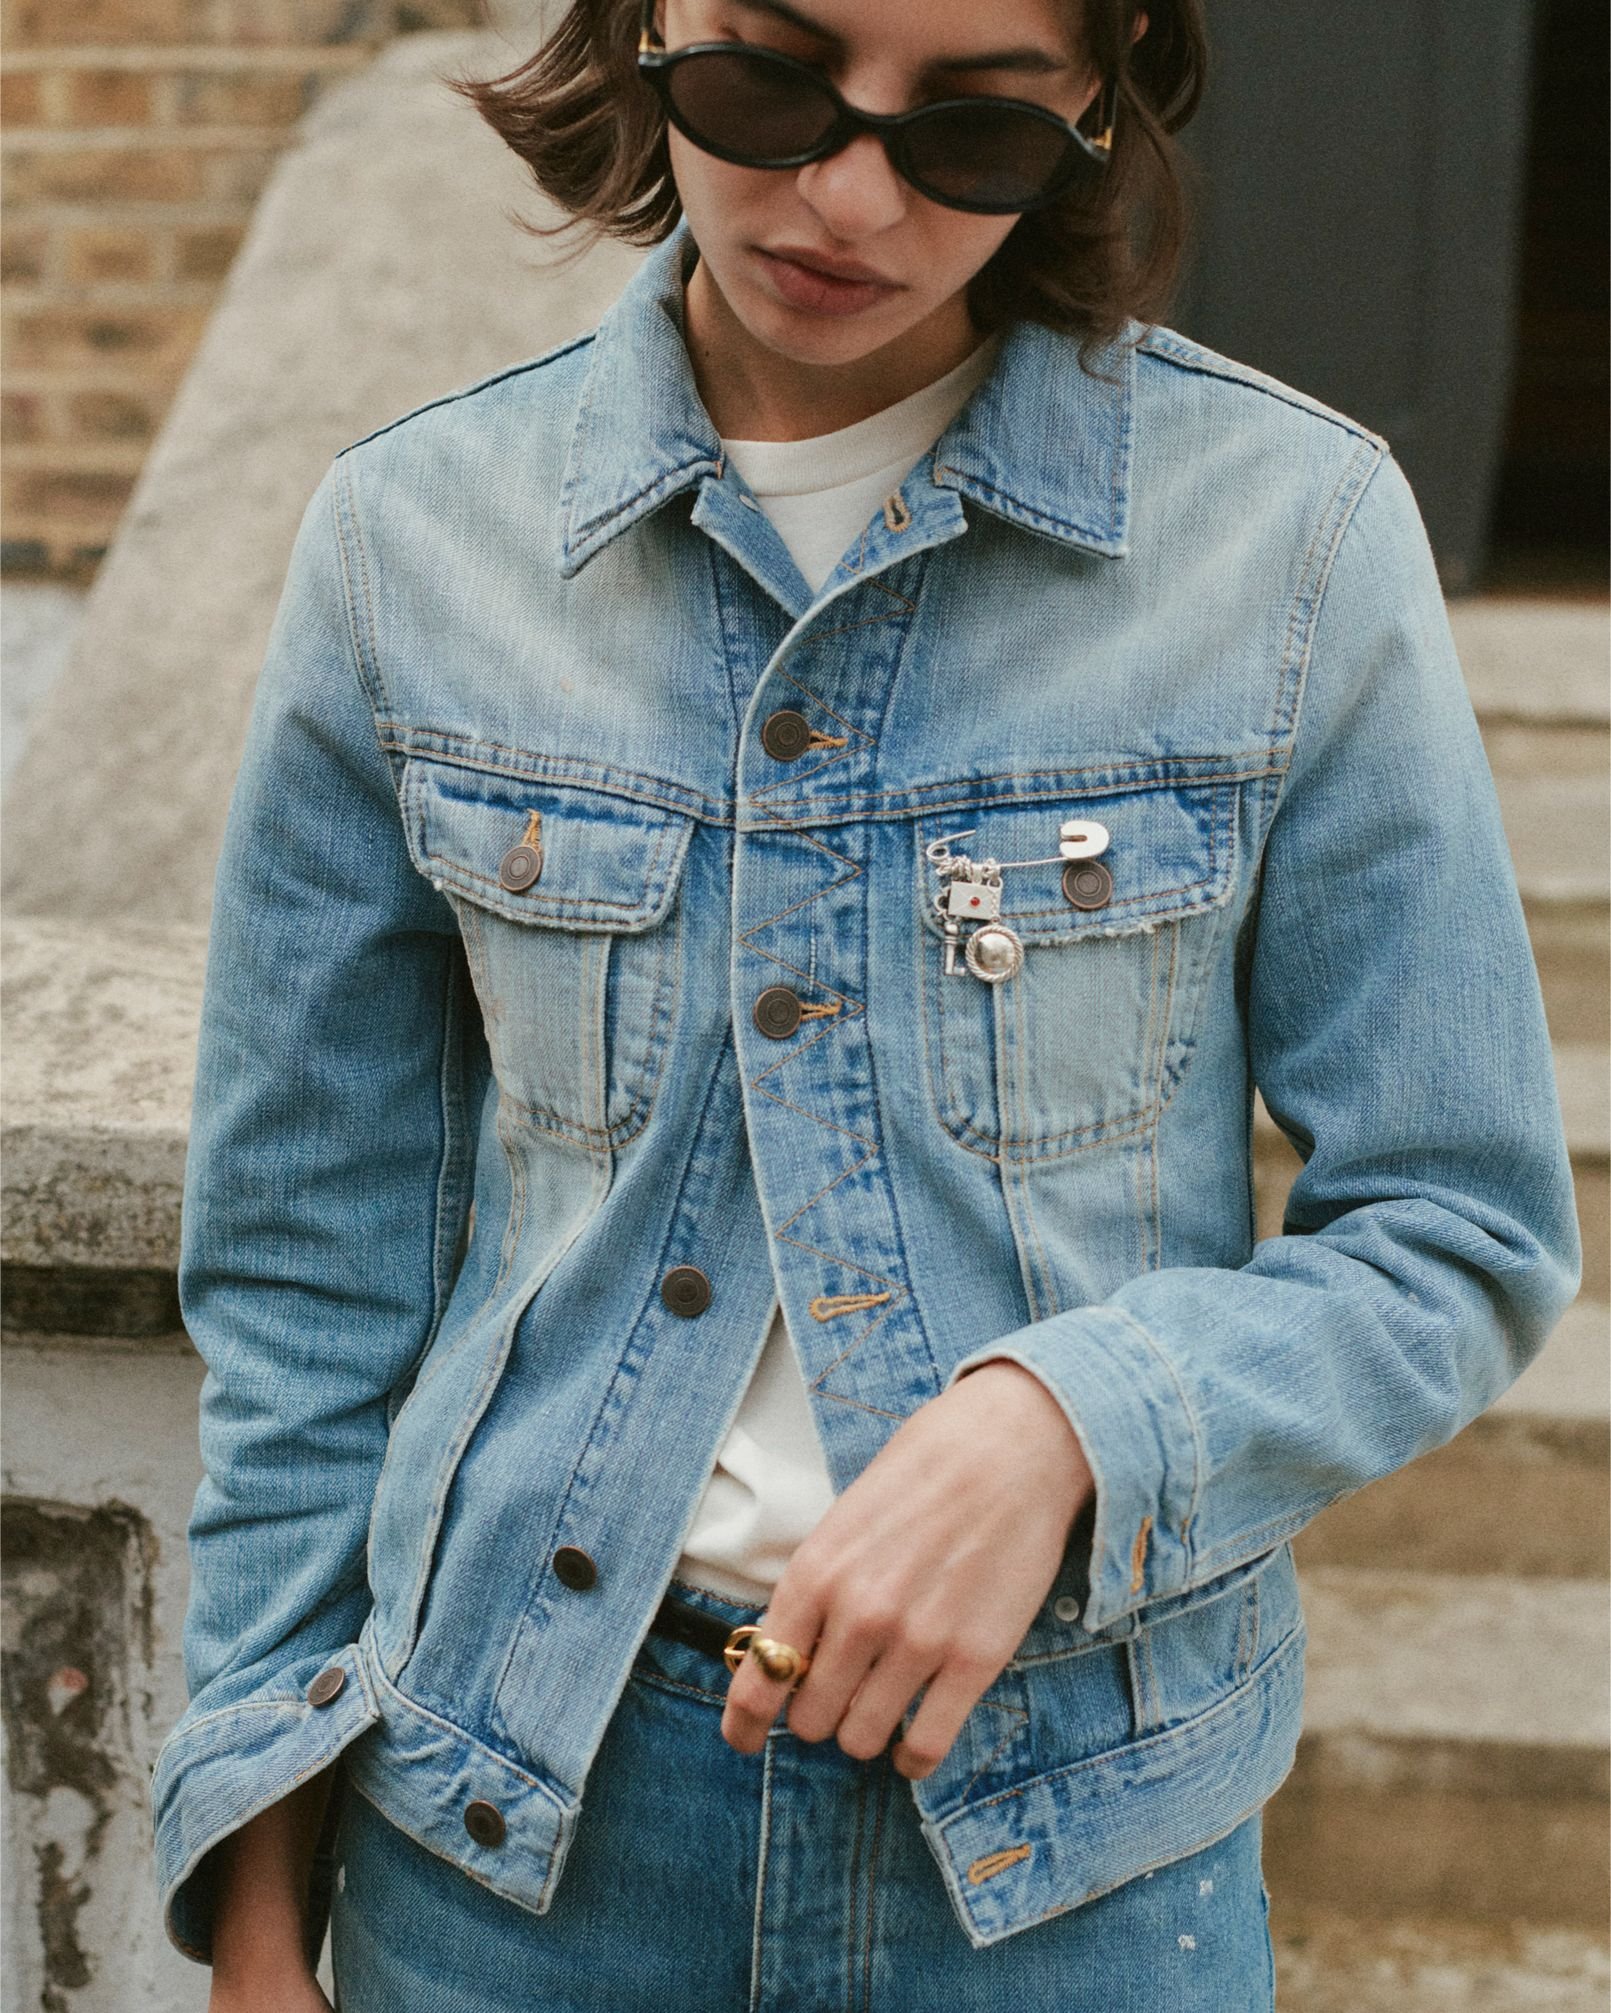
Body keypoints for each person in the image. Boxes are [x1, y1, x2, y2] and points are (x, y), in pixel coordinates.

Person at [149, 0, 1581, 2007]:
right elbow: (311, 1281)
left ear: (1100, 104)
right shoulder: (414, 541)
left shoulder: (1286, 541)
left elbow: (1456, 1225)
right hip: (503, 1852)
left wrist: (1071, 1421)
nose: (845, 196)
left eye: (973, 129)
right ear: (653, 26)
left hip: (1074, 1869)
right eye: (768, 82)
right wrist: (257, 1908)